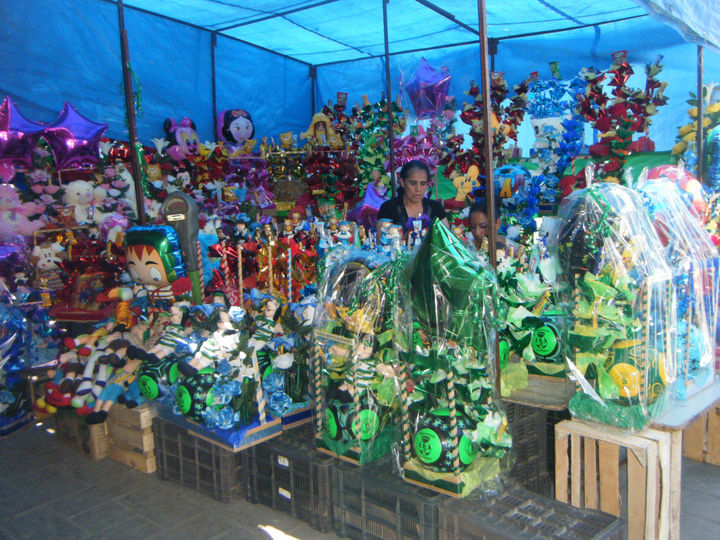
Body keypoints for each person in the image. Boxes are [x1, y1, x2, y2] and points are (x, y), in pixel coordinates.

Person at [376, 160, 447, 240]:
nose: (418, 189)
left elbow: (446, 239)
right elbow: (381, 240)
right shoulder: (389, 208)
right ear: (402, 182)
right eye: (413, 183)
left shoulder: (435, 208)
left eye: (423, 184)